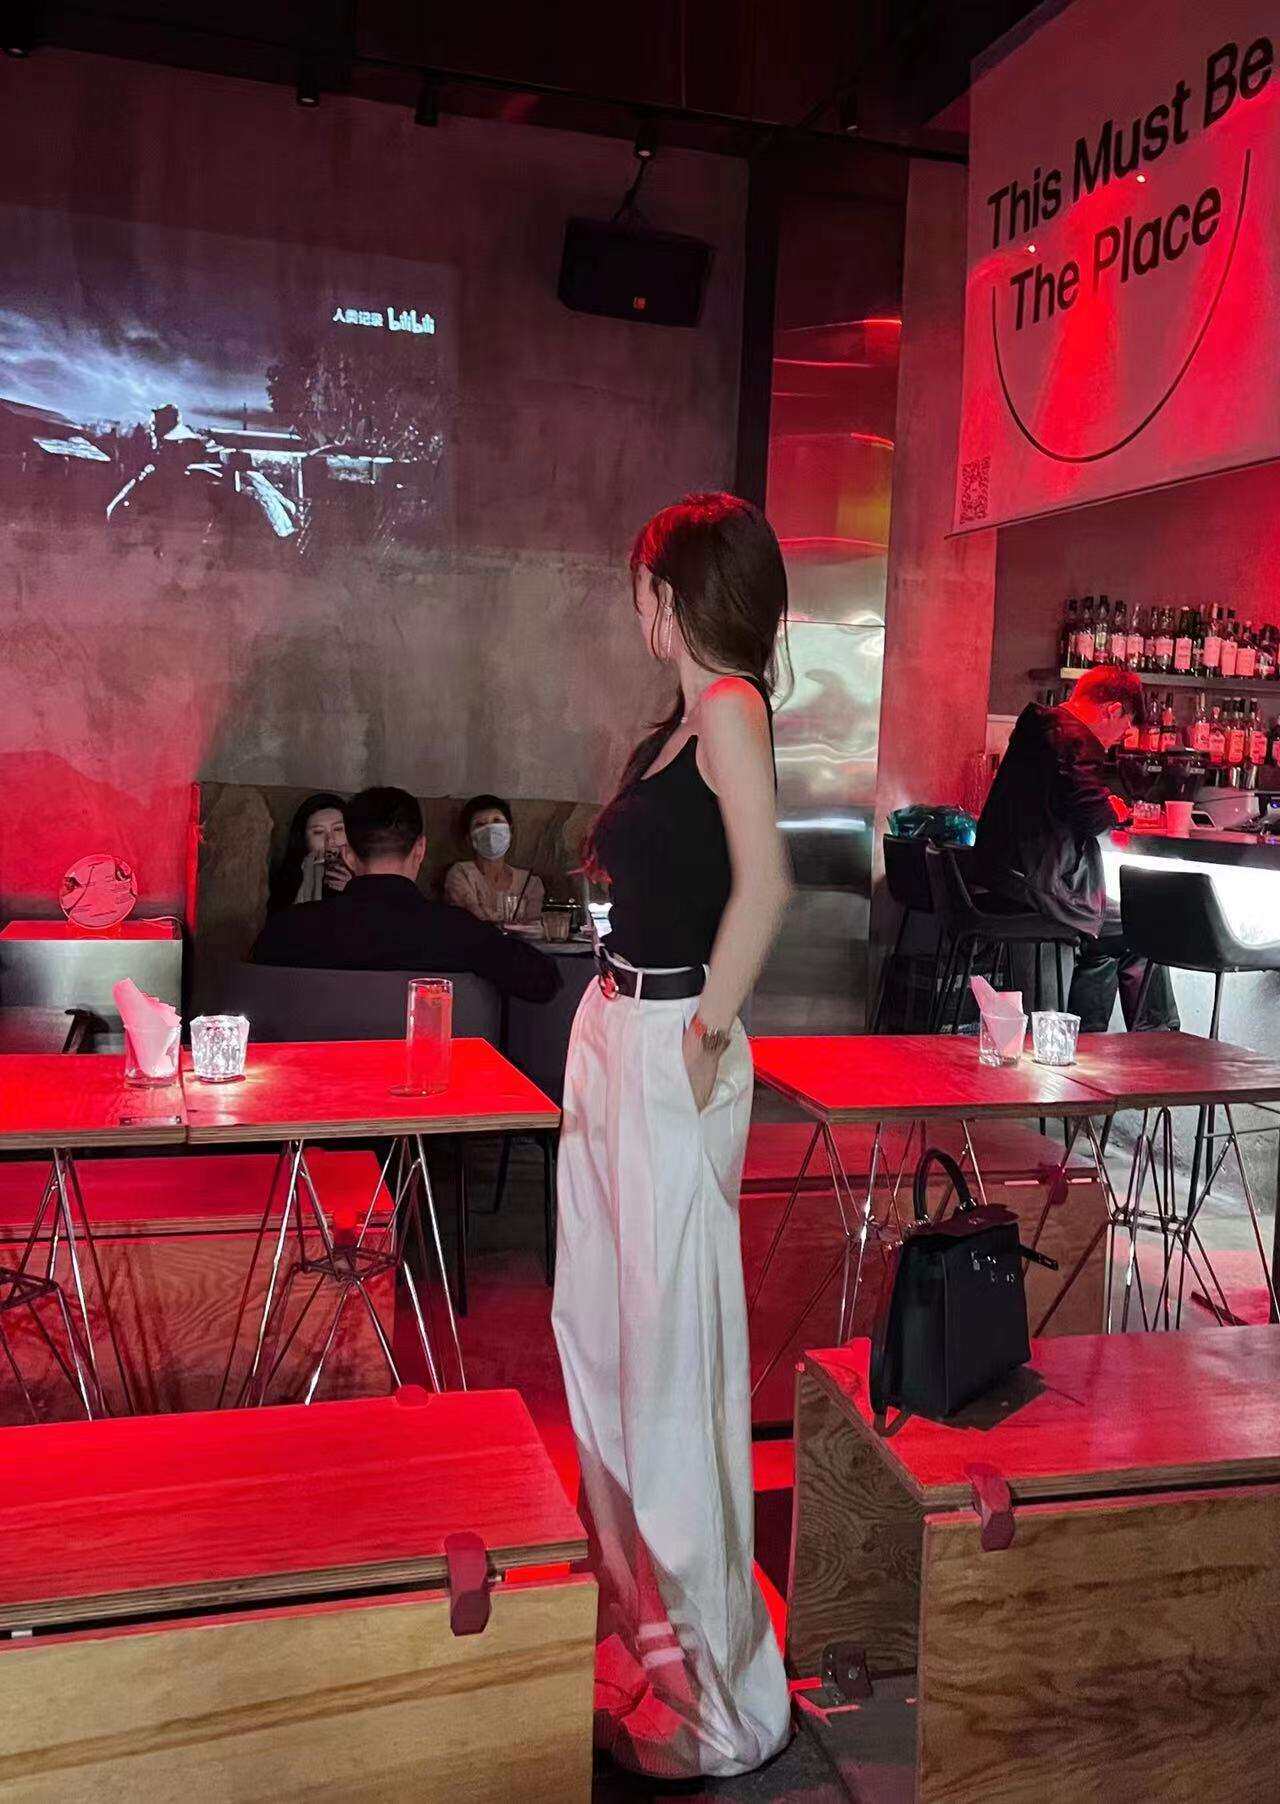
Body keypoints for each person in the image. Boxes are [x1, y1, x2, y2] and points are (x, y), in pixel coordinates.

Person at [551, 494, 794, 1781]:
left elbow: (766, 885)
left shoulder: (732, 707)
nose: (636, 606)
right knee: (597, 1337)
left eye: (644, 584)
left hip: (664, 1040)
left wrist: (702, 1032)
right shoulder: (683, 722)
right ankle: (650, 1632)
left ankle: (724, 1699)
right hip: (617, 1033)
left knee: (669, 1363)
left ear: (678, 591)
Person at [975, 664, 1178, 1032]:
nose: (1120, 739)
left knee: (1106, 936)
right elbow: (1091, 815)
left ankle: (1085, 1039)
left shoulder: (1038, 727)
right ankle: (1160, 1040)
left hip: (1009, 879)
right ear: (1112, 710)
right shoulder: (1073, 739)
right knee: (1143, 926)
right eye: (1124, 727)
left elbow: (1067, 799)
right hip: (1040, 890)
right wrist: (1113, 808)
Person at [251, 786, 559, 1003]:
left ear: (348, 855)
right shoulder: (457, 931)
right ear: (420, 850)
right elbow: (545, 982)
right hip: (433, 1076)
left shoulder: (287, 929)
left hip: (318, 1076)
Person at [444, 794, 545, 924]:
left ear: (510, 831)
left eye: (497, 821)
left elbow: (534, 927)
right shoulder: (461, 874)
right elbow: (472, 920)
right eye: (480, 824)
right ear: (469, 838)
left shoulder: (530, 882)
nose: (490, 830)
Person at [266, 793, 352, 912]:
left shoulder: (367, 874)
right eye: (318, 832)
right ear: (304, 839)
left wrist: (354, 892)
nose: (330, 840)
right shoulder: (287, 882)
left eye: (338, 829)